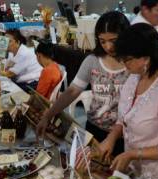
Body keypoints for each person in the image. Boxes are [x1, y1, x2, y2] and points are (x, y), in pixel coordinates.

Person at [78, 23, 158, 179]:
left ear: (146, 57)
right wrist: (111, 138)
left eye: (127, 59)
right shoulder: (135, 77)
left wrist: (133, 154)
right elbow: (124, 117)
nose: (124, 64)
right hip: (135, 166)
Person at [36, 11, 131, 158]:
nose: (108, 46)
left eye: (113, 40)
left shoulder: (133, 63)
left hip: (126, 136)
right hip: (95, 131)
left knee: (121, 177)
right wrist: (48, 114)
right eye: (102, 41)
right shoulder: (92, 61)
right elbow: (72, 91)